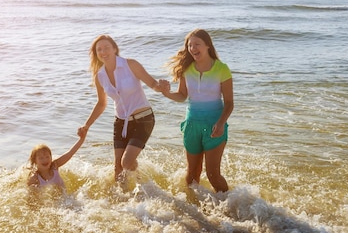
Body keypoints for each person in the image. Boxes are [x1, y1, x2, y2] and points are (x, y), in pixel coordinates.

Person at [78, 35, 162, 182]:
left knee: (126, 162)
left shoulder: (131, 64)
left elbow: (153, 84)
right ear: (96, 54)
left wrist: (161, 87)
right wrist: (86, 125)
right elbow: (101, 103)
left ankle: (147, 186)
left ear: (115, 49)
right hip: (121, 122)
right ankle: (124, 201)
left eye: (106, 48)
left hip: (143, 118)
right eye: (99, 49)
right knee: (118, 168)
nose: (103, 52)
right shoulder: (100, 76)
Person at [160, 29, 234, 193]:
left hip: (215, 126)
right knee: (191, 176)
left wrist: (221, 123)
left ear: (207, 45)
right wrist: (166, 93)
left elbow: (229, 103)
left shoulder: (222, 69)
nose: (193, 48)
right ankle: (195, 211)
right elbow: (182, 95)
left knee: (213, 175)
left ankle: (230, 207)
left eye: (197, 44)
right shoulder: (187, 69)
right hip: (192, 125)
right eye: (190, 45)